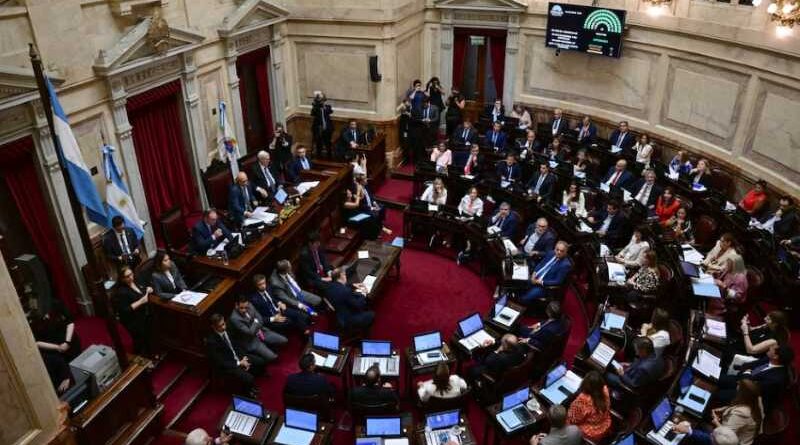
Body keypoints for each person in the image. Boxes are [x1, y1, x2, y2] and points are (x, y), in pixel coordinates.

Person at [674, 379, 761, 445]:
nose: (735, 391)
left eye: (738, 390)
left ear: (742, 394)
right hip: (727, 436)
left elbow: (726, 437)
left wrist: (715, 422)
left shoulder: (741, 414)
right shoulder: (752, 402)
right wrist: (725, 409)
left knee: (697, 428)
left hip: (727, 442)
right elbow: (738, 406)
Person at [716, 344, 793, 414]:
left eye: (772, 349)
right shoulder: (769, 359)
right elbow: (748, 365)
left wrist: (746, 375)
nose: (769, 348)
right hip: (741, 381)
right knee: (716, 378)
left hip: (748, 397)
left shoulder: (776, 379)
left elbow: (754, 390)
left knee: (718, 395)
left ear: (776, 356)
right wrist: (745, 375)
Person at [206, 313, 265, 397]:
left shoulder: (228, 329)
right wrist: (239, 363)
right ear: (213, 327)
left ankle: (252, 379)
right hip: (229, 365)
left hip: (239, 356)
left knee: (260, 361)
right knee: (249, 378)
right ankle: (248, 393)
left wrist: (243, 357)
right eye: (220, 326)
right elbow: (220, 361)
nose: (223, 327)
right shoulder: (211, 342)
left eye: (223, 324)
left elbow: (237, 345)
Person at [31, 299, 80, 393]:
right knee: (64, 373)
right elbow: (36, 342)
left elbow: (70, 322)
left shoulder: (56, 304)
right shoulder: (33, 320)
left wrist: (67, 342)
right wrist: (58, 347)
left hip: (70, 343)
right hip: (53, 350)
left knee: (79, 366)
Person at [229, 295, 288, 363]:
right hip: (251, 340)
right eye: (241, 308)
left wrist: (255, 324)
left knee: (284, 340)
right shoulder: (234, 318)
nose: (244, 310)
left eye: (246, 307)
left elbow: (260, 319)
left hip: (261, 331)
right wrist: (255, 322)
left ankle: (268, 346)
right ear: (236, 305)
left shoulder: (250, 305)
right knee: (273, 357)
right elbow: (250, 332)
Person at [112, 266, 152, 355]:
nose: (131, 277)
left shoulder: (135, 281)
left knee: (148, 338)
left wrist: (147, 289)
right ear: (122, 279)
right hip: (134, 321)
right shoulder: (121, 292)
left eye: (131, 274)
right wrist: (141, 301)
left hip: (144, 316)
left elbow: (141, 291)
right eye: (127, 276)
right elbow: (125, 310)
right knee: (140, 343)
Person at [567, 371, 612, 442]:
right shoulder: (605, 389)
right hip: (604, 425)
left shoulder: (583, 400)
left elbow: (573, 420)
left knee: (559, 419)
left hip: (590, 432)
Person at [345, 173, 391, 238]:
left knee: (382, 207)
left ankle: (380, 226)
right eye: (365, 179)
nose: (366, 180)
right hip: (359, 213)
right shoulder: (352, 196)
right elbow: (358, 205)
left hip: (366, 207)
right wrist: (371, 208)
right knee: (372, 216)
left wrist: (374, 203)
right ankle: (377, 231)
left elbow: (369, 196)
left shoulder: (365, 187)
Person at [311, 92, 334, 157]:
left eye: (322, 99)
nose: (321, 101)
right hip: (318, 129)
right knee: (319, 144)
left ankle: (329, 156)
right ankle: (319, 156)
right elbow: (312, 113)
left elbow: (330, 111)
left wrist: (324, 107)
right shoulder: (316, 107)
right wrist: (316, 105)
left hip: (327, 129)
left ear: (324, 100)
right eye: (319, 99)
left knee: (328, 143)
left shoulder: (327, 106)